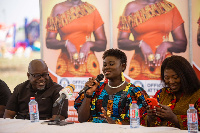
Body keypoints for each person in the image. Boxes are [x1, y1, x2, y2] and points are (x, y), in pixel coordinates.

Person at [74, 48, 149, 124]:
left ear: (122, 66)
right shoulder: (97, 89)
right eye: (104, 65)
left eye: (111, 64)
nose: (106, 67)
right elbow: (82, 119)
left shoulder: (134, 92)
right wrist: (88, 95)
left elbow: (138, 121)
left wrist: (113, 123)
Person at [117, 0, 187, 80]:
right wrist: (140, 44)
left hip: (166, 67)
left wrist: (167, 44)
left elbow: (182, 44)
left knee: (166, 92)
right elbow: (121, 41)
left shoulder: (170, 7)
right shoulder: (131, 7)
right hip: (139, 68)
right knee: (138, 92)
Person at [46, 0, 107, 77]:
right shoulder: (57, 9)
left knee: (91, 89)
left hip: (90, 67)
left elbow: (103, 44)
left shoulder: (91, 9)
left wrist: (89, 44)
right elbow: (49, 41)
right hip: (65, 66)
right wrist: (66, 43)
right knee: (65, 89)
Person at [142, 55, 200, 130]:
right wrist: (150, 117)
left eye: (175, 77)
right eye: (167, 78)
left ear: (186, 76)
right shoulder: (162, 93)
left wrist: (173, 118)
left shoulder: (197, 94)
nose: (171, 81)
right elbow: (146, 122)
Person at [4, 59, 68, 120]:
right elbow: (8, 115)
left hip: (45, 128)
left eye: (45, 74)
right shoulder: (20, 89)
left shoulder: (58, 91)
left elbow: (57, 120)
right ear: (28, 75)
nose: (42, 79)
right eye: (37, 75)